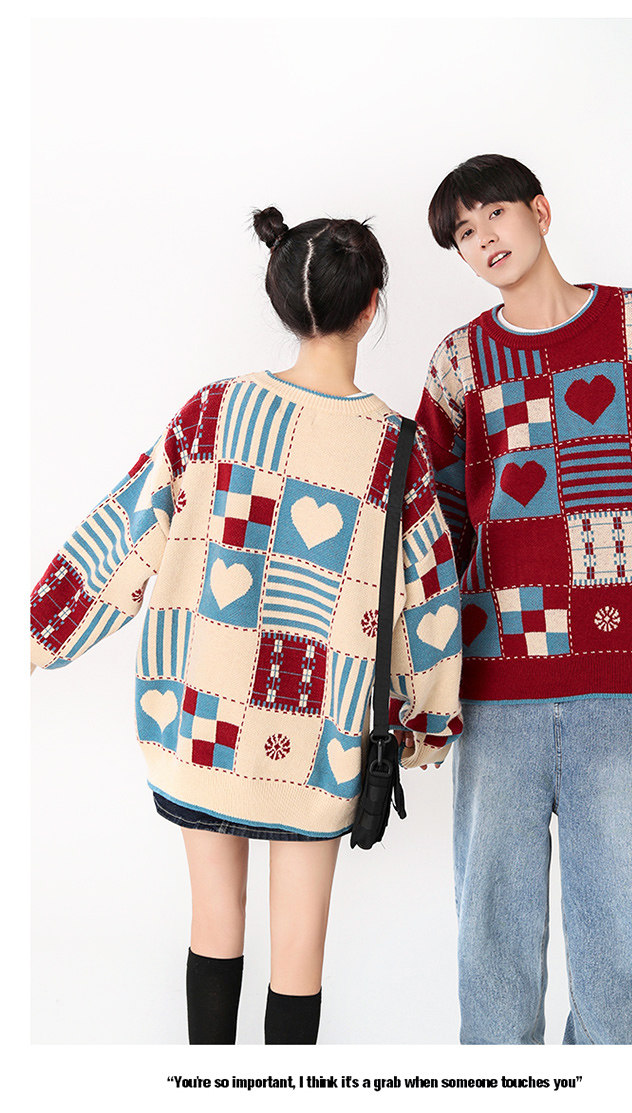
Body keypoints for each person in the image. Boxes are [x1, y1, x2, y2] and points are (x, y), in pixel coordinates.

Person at [30, 206, 463, 1045]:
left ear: (281, 301)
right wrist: (426, 727)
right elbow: (431, 607)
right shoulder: (397, 450)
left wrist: (38, 633)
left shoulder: (212, 413)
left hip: (199, 716)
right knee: (299, 950)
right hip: (322, 737)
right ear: (372, 306)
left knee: (212, 921)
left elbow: (127, 534)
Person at [398, 154, 632, 1044]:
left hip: (627, 677)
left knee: (621, 945)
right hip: (496, 680)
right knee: (492, 942)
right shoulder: (460, 362)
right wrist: (413, 679)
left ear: (540, 210)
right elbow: (430, 526)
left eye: (494, 214)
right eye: (464, 233)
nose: (484, 239)